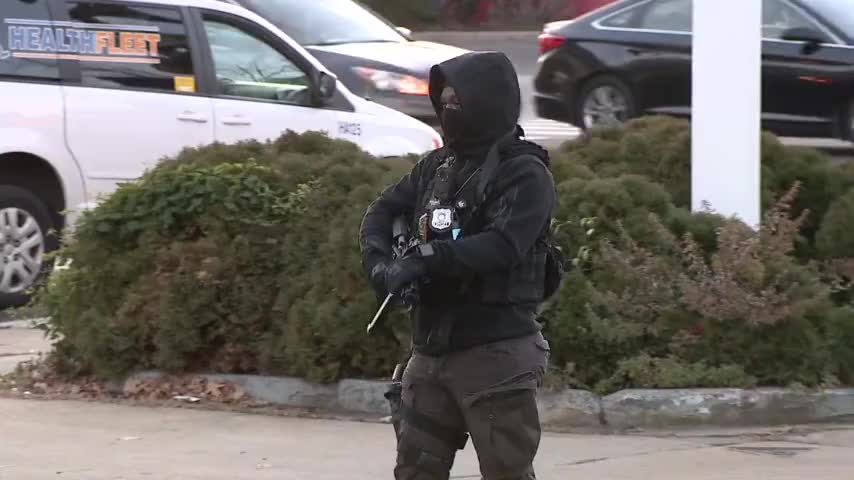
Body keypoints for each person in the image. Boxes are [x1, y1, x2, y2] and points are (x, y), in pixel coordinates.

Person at [358, 50, 556, 480]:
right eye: (443, 101)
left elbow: (503, 245)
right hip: (429, 351)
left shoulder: (525, 173)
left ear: (487, 102)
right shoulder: (437, 166)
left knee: (507, 472)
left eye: (457, 102)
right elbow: (382, 211)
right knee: (415, 470)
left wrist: (426, 260)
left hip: (495, 354)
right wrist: (382, 266)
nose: (448, 110)